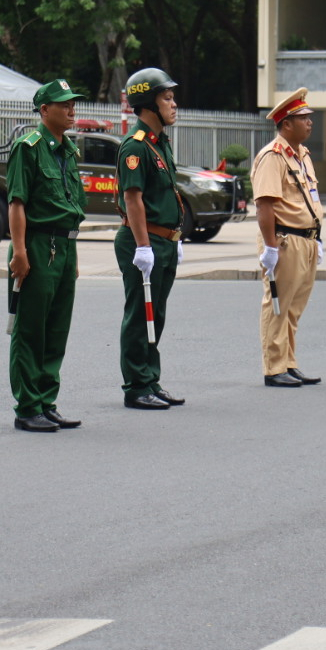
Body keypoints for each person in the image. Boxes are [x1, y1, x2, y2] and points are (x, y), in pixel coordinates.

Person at [7, 79, 88, 432]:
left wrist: (74, 256)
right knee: (30, 329)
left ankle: (47, 400)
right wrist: (20, 252)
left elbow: (71, 205)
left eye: (73, 104)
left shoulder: (68, 150)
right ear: (44, 110)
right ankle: (28, 407)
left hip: (64, 246)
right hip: (38, 245)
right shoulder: (29, 147)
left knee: (56, 328)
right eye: (64, 104)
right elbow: (17, 203)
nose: (72, 110)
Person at [115, 67, 187, 409]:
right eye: (167, 98)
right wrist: (144, 246)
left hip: (164, 241)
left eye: (172, 98)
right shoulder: (136, 146)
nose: (174, 105)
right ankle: (136, 385)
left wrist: (175, 238)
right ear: (147, 104)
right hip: (143, 241)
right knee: (140, 313)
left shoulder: (160, 143)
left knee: (155, 313)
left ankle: (151, 379)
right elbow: (133, 199)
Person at [253, 88, 324, 386]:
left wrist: (317, 238)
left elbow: (310, 198)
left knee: (294, 307)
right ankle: (274, 367)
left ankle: (289, 362)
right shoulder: (273, 156)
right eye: (303, 118)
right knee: (279, 305)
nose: (310, 122)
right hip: (283, 240)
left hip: (305, 240)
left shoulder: (303, 156)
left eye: (309, 117)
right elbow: (265, 205)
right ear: (286, 123)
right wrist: (270, 247)